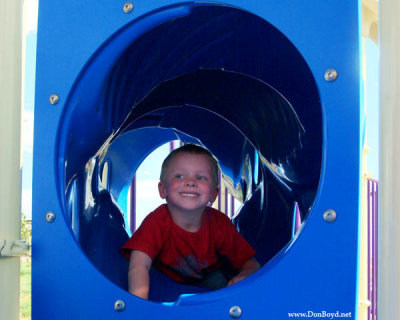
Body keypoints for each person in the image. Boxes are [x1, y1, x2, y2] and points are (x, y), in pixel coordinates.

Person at [122, 144, 260, 299]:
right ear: (163, 189)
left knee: (220, 282)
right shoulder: (157, 221)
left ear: (213, 195)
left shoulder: (219, 224)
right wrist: (140, 307)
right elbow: (138, 265)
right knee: (148, 280)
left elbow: (251, 263)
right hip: (164, 281)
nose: (190, 182)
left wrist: (246, 275)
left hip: (208, 281)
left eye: (201, 177)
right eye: (179, 176)